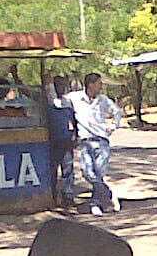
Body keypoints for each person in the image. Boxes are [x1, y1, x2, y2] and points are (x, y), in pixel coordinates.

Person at [49, 72, 123, 216]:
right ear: (90, 84)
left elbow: (117, 112)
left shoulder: (103, 100)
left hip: (101, 141)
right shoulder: (75, 98)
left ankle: (96, 203)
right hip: (85, 142)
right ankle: (107, 193)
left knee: (99, 173)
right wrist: (49, 86)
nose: (101, 87)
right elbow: (57, 103)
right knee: (88, 173)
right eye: (99, 84)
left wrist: (113, 126)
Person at [44, 74, 79, 208]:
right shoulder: (49, 101)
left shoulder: (67, 102)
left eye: (63, 85)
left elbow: (73, 120)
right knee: (52, 170)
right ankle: (53, 195)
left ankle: (68, 196)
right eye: (58, 85)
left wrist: (75, 135)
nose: (61, 88)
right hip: (53, 141)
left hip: (66, 140)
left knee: (68, 169)